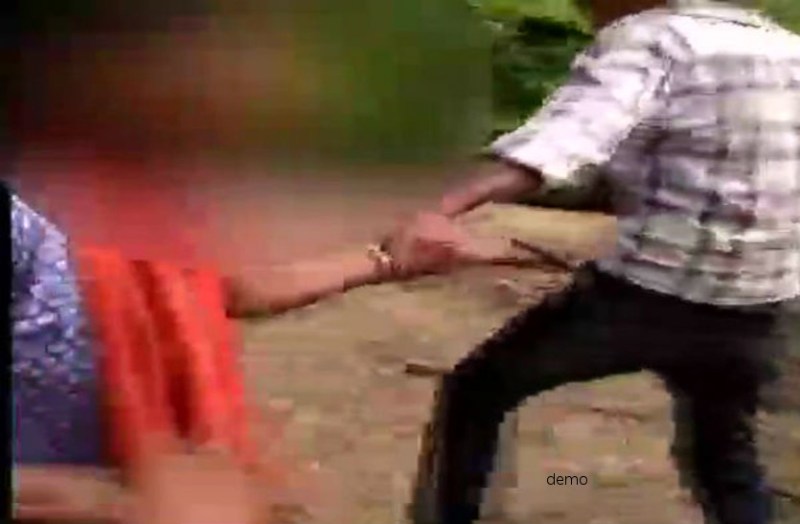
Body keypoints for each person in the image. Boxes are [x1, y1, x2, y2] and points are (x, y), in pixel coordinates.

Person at [405, 1, 800, 524]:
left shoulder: (654, 38)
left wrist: (436, 210)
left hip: (646, 298)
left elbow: (562, 140)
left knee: (479, 390)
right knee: (726, 455)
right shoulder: (787, 48)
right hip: (758, 305)